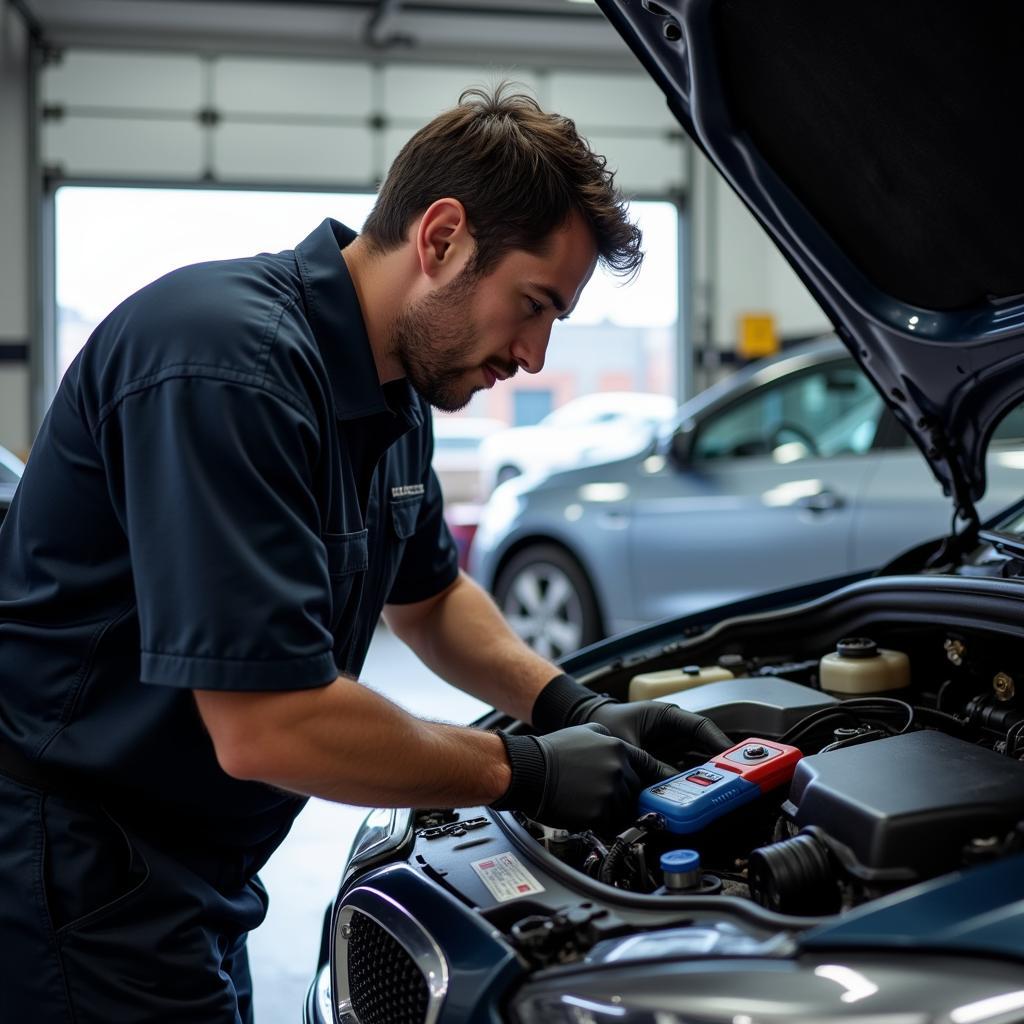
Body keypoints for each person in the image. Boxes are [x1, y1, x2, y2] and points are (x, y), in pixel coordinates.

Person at [0, 85, 728, 1022]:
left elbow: (428, 600)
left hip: (188, 866)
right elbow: (268, 725)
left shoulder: (392, 393)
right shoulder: (228, 365)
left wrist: (572, 706)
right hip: (71, 871)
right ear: (442, 239)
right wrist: (525, 770)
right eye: (534, 305)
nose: (538, 356)